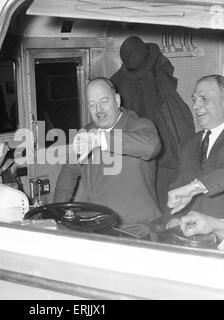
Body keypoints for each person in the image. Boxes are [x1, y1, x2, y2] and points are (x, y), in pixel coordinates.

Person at [54, 77, 162, 225]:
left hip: (135, 227)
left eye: (104, 101)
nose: (99, 110)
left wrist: (100, 140)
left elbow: (151, 146)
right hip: (96, 224)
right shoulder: (87, 131)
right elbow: (69, 172)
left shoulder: (139, 125)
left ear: (117, 100)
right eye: (92, 105)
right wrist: (55, 214)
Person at [110, 36, 195, 211]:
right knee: (170, 205)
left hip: (140, 158)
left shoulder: (117, 84)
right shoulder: (160, 75)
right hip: (169, 155)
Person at [167, 75, 224, 219]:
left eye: (204, 99)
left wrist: (194, 189)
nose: (195, 106)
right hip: (191, 232)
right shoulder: (188, 144)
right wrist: (171, 220)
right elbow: (176, 189)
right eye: (194, 100)